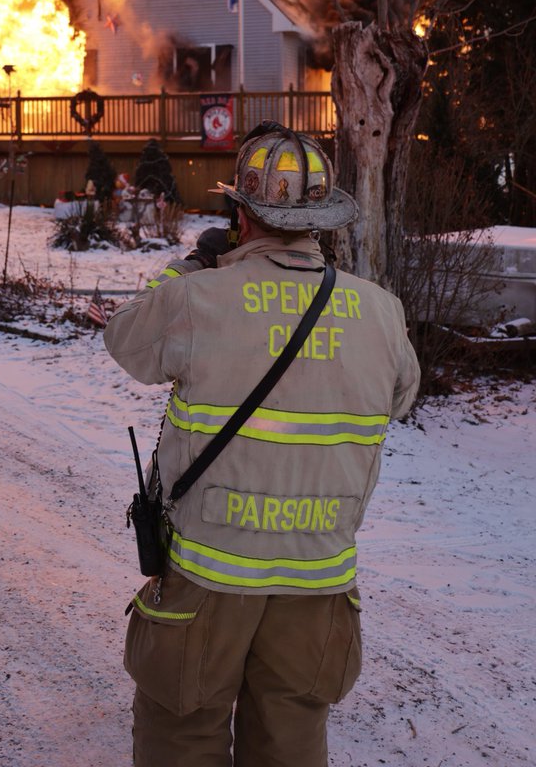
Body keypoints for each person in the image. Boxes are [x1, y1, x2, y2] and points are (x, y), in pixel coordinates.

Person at [104, 122, 420, 767]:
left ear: (241, 216)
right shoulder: (382, 312)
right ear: (322, 223)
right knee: (292, 740)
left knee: (182, 731)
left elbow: (126, 342)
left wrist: (189, 268)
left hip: (211, 573)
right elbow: (399, 398)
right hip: (321, 576)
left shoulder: (196, 297)